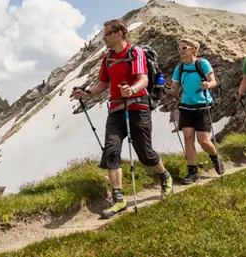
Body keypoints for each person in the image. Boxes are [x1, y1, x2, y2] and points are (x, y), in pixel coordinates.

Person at [71, 18, 173, 218]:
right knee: (111, 150)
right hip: (116, 109)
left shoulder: (135, 53)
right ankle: (119, 199)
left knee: (145, 153)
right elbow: (102, 85)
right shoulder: (108, 58)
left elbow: (143, 79)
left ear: (119, 34)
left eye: (107, 34)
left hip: (138, 106)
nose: (104, 38)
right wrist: (86, 92)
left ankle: (165, 175)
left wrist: (131, 89)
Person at [168, 39, 225, 184]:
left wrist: (207, 84)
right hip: (186, 106)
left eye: (184, 48)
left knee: (203, 140)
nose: (180, 51)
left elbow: (213, 81)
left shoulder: (202, 63)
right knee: (188, 137)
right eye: (179, 48)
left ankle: (215, 156)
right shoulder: (179, 68)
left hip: (202, 106)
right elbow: (174, 90)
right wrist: (163, 88)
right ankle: (192, 172)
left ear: (193, 49)